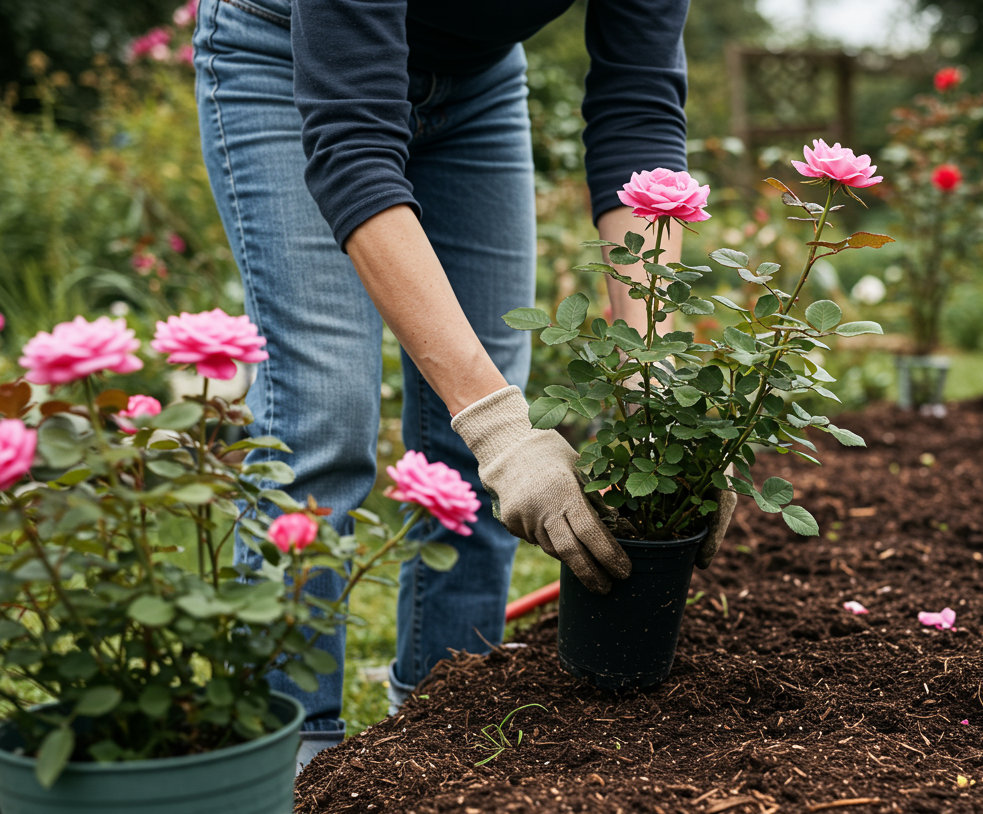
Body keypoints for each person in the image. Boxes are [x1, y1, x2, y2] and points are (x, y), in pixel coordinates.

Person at [192, 0, 731, 769]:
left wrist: (660, 391)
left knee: (474, 458)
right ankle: (287, 763)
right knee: (321, 415)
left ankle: (440, 740)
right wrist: (500, 429)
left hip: (478, 80)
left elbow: (638, 110)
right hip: (284, 55)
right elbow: (353, 145)